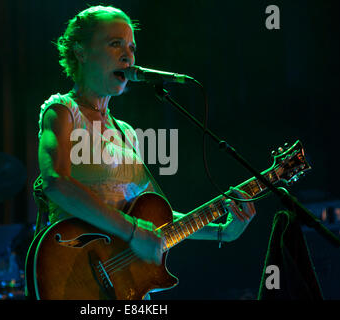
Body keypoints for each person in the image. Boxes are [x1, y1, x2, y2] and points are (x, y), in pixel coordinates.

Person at [35, 5, 256, 298]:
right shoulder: (62, 111)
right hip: (75, 273)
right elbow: (56, 182)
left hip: (127, 285)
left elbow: (154, 224)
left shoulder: (127, 133)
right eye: (115, 44)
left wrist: (220, 231)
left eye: (131, 47)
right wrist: (133, 230)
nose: (128, 55)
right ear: (80, 51)